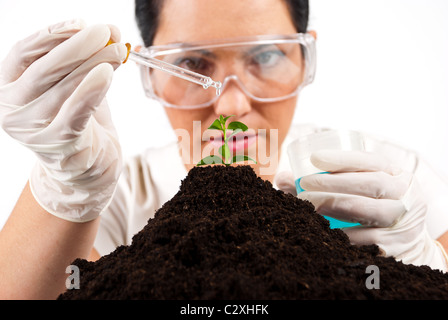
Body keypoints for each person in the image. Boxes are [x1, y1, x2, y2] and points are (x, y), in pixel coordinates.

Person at [0, 0, 447, 299]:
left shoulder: (391, 184)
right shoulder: (116, 198)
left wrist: (427, 262)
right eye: (191, 63)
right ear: (149, 74)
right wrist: (67, 187)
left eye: (267, 56)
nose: (232, 104)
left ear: (305, 59)